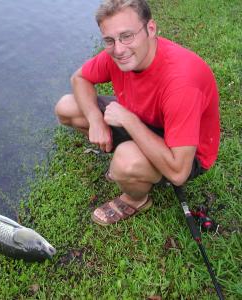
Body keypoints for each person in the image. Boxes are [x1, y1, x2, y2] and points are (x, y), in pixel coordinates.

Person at [54, 0, 220, 226]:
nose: (119, 49)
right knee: (67, 107)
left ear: (151, 29)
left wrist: (129, 121)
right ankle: (133, 163)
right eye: (109, 40)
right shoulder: (118, 54)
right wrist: (96, 121)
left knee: (126, 162)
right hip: (146, 119)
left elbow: (179, 172)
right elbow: (79, 78)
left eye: (127, 36)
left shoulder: (182, 83)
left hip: (186, 154)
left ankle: (135, 198)